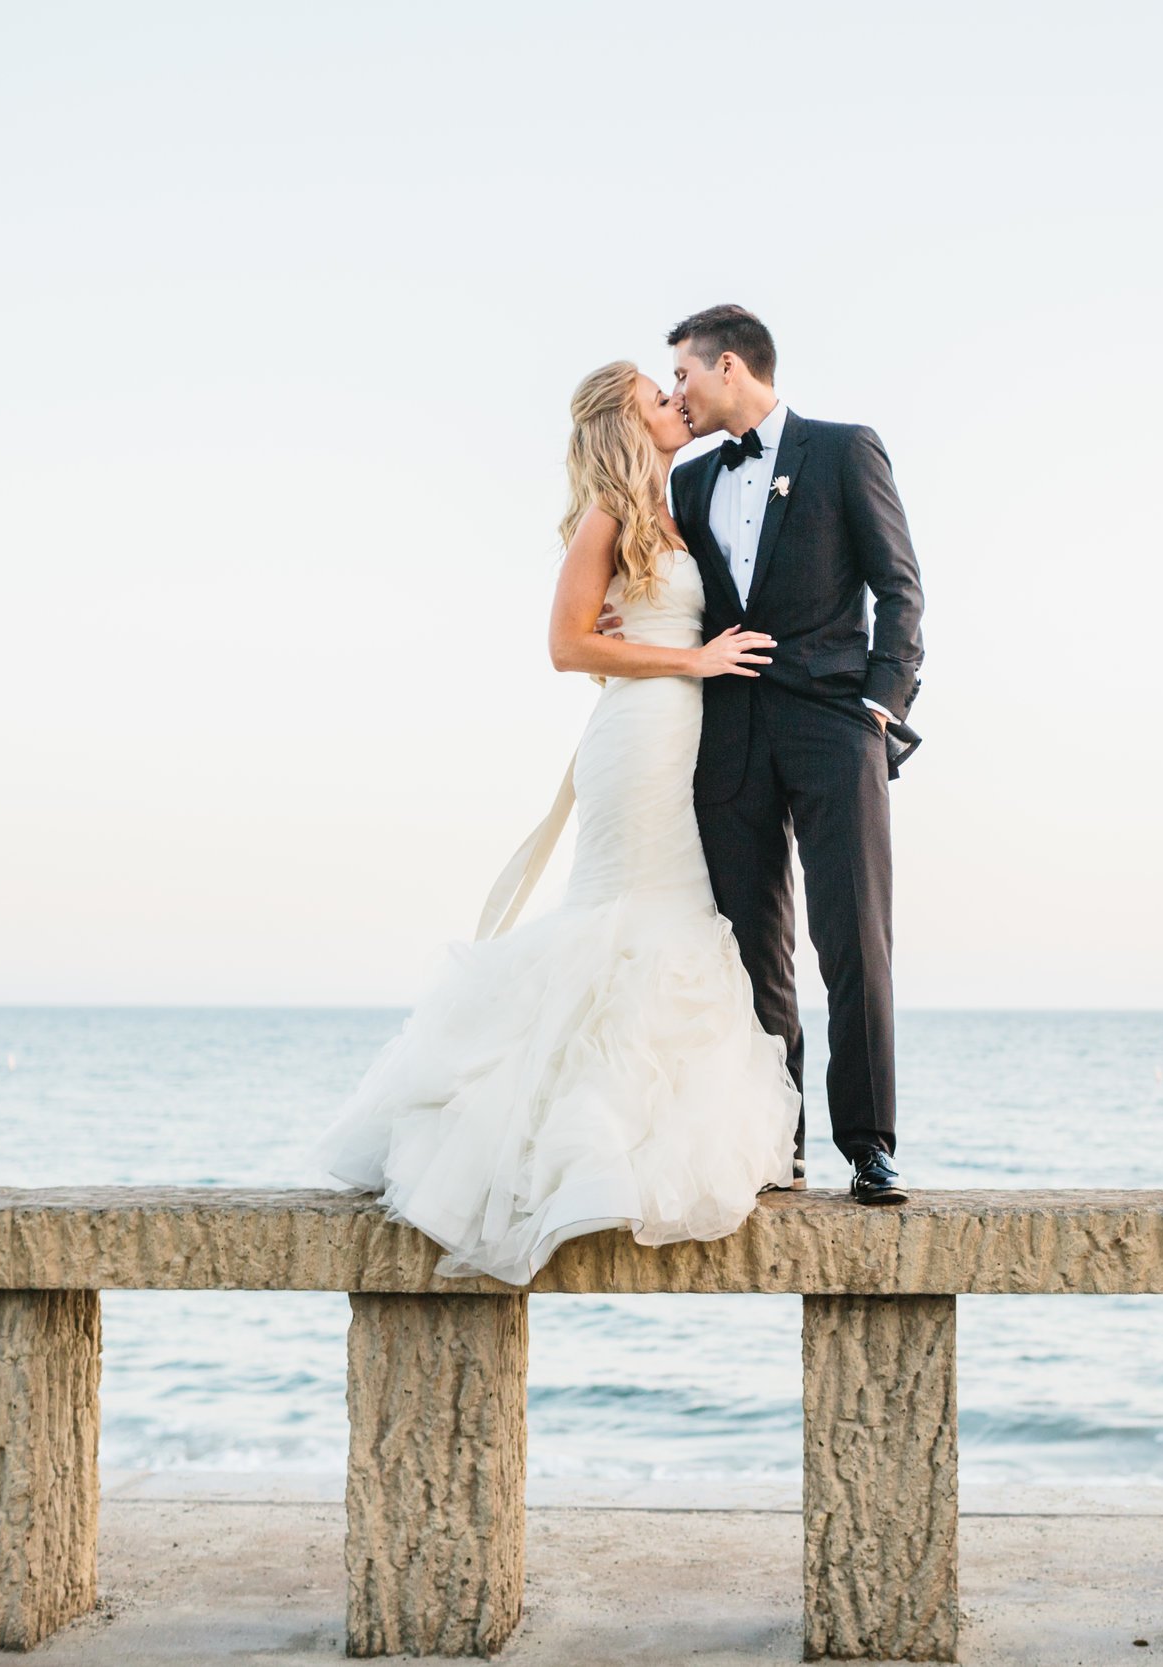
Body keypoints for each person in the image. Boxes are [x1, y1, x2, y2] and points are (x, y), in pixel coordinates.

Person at [311, 359, 815, 1286]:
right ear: (624, 424)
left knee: (675, 916)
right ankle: (557, 1139)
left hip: (686, 732)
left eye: (674, 390)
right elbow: (565, 645)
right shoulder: (608, 517)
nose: (673, 401)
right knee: (624, 914)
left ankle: (636, 1131)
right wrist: (693, 660)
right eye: (654, 397)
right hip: (639, 735)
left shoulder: (679, 506)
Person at [598, 305, 922, 1206]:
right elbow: (671, 588)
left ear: (728, 367)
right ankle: (782, 1144)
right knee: (752, 951)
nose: (677, 394)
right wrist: (626, 621)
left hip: (833, 728)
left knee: (854, 938)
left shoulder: (845, 449)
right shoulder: (690, 482)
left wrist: (881, 708)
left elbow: (901, 588)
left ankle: (869, 1146)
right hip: (726, 740)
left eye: (684, 377)